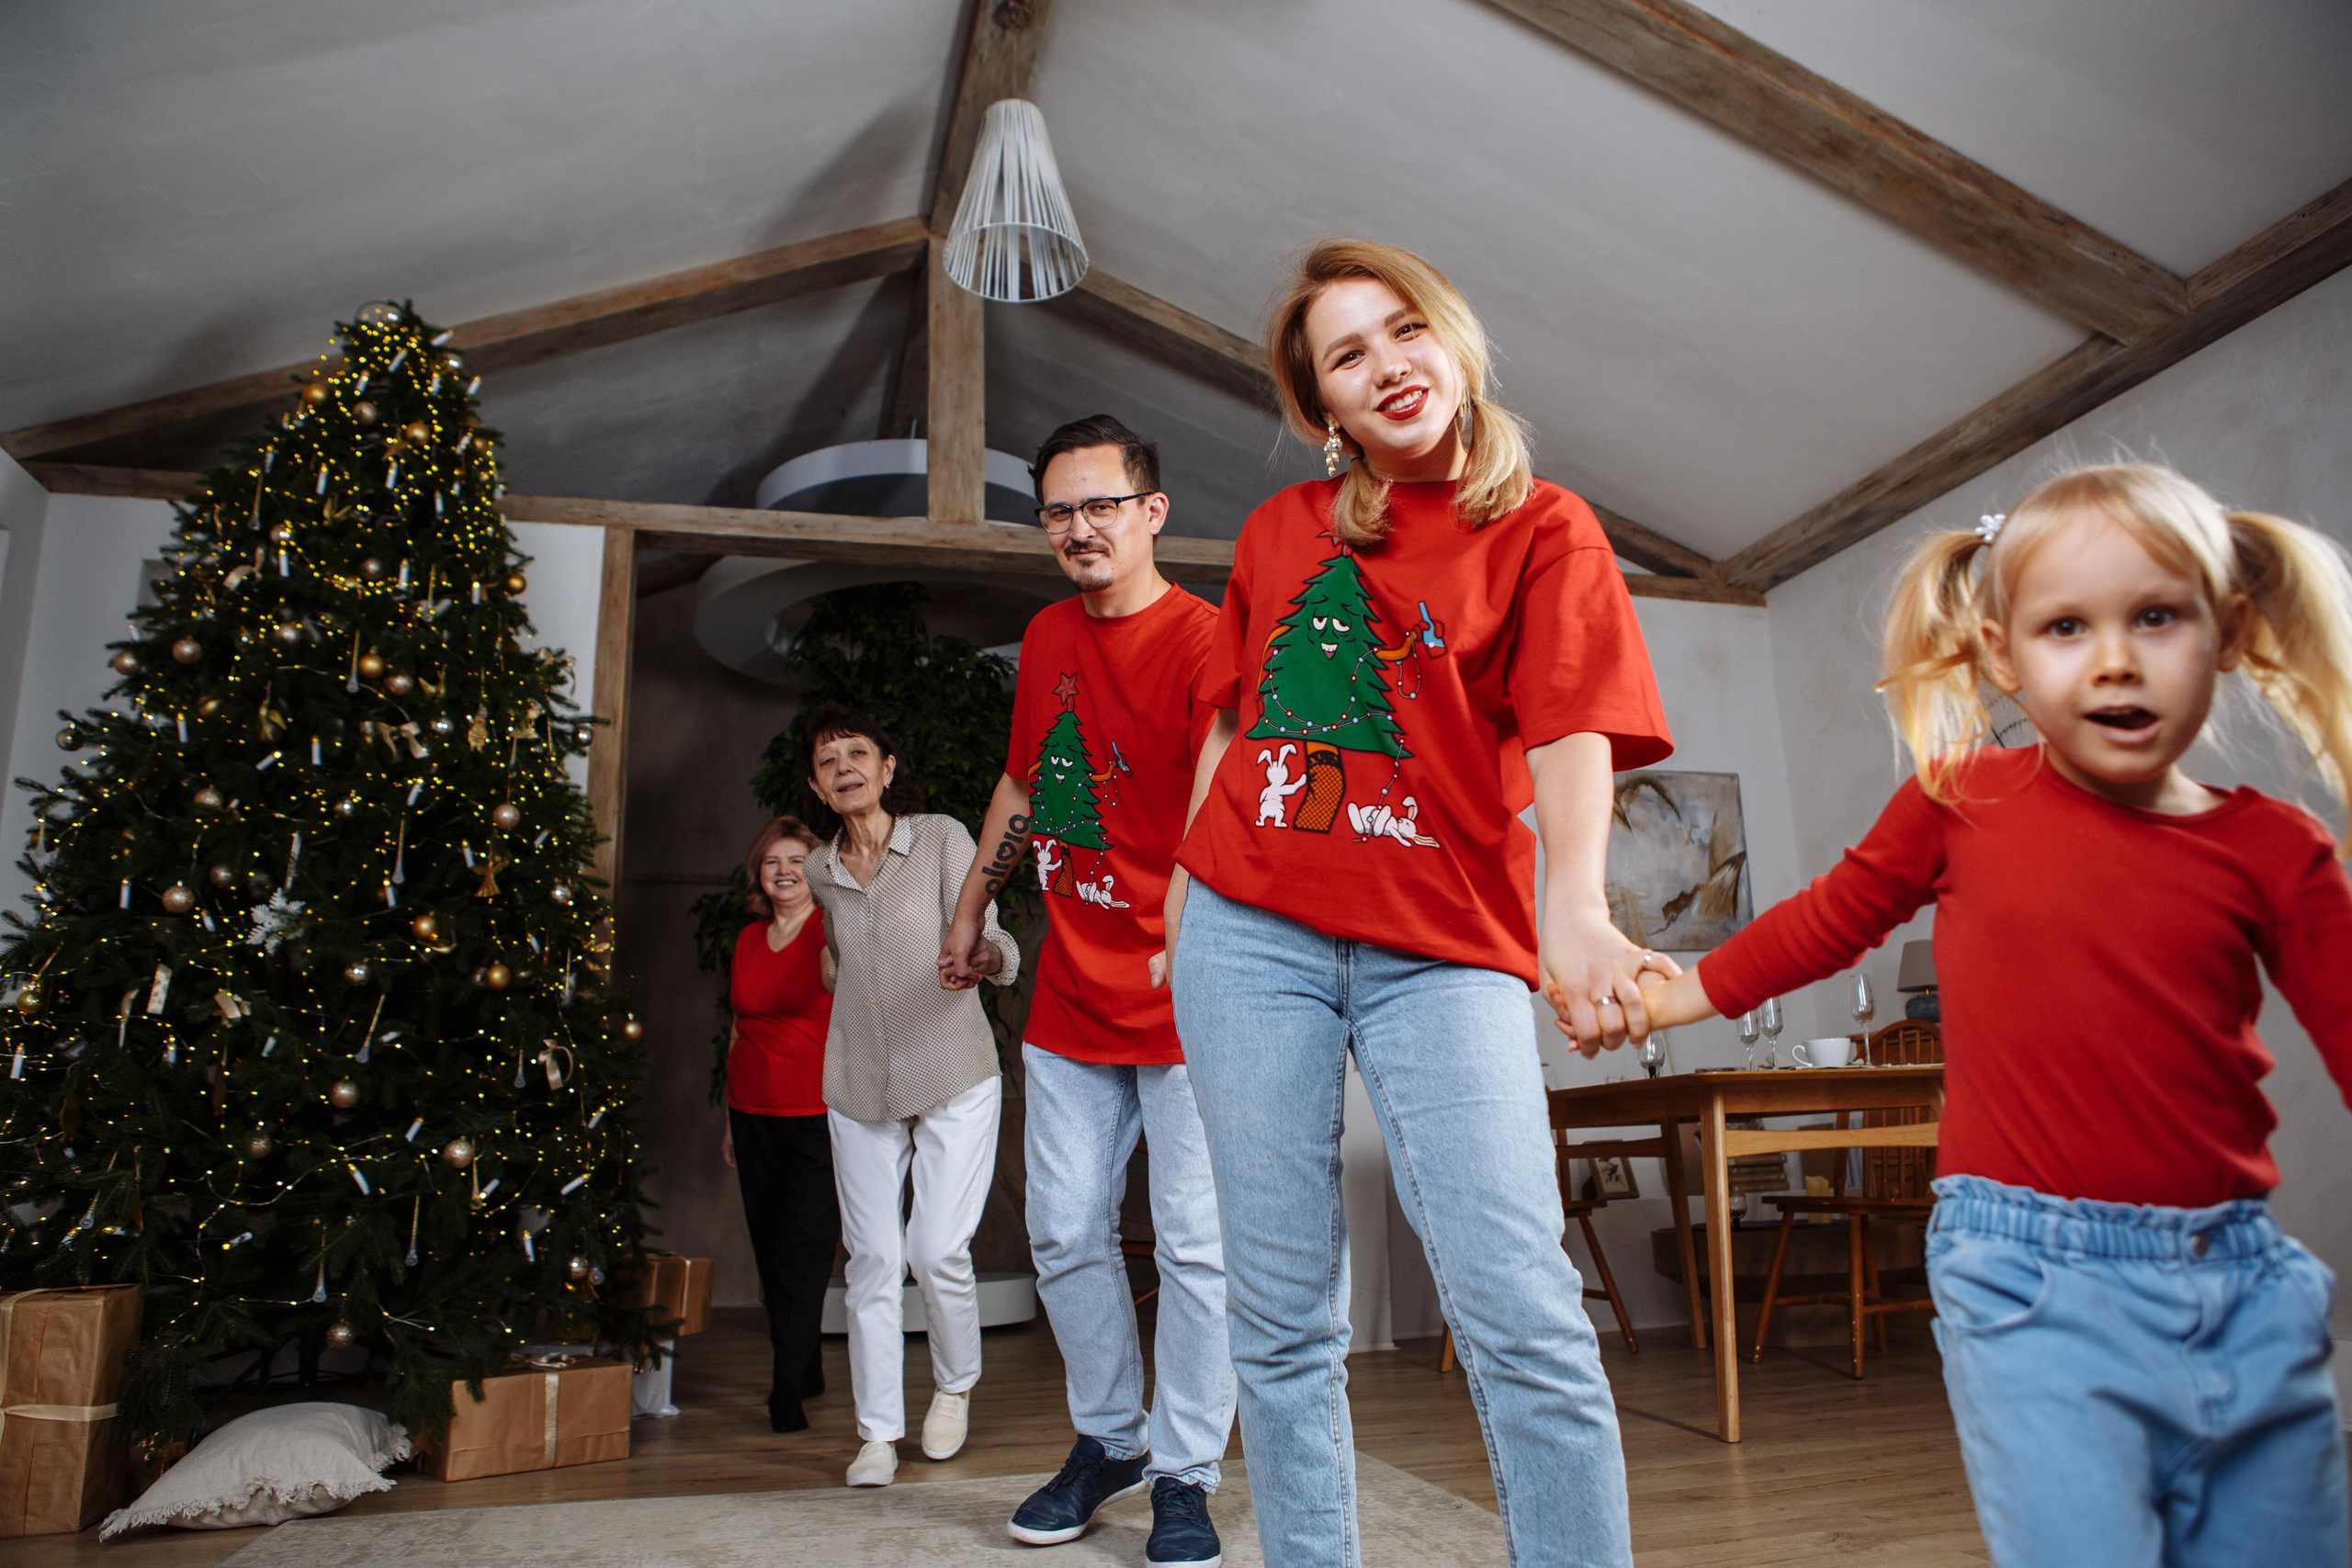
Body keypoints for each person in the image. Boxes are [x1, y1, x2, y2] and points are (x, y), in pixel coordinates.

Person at [1634, 463, 2352, 1566]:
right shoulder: (1960, 800)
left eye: (2156, 617)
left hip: (2240, 1284)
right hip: (2031, 1281)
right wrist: (1667, 997)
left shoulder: (2277, 849)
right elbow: (1825, 922)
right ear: (2002, 656)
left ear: (2230, 630)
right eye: (2068, 627)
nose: (2115, 657)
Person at [1164, 238, 1674, 1568]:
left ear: (1453, 339)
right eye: (1347, 353)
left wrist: (1576, 907)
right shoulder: (1284, 533)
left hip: (1444, 943)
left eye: (1403, 331)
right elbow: (1232, 725)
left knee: (1523, 1307)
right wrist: (1179, 893)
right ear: (1318, 404)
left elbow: (1573, 731)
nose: (1387, 365)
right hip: (1247, 925)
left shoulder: (1546, 525)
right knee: (1280, 1315)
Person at [941, 415, 1234, 1567]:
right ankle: (1109, 1438)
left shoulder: (1208, 638)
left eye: (1100, 504)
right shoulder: (1048, 634)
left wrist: (1200, 933)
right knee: (1063, 1231)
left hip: (1185, 995)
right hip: (1069, 986)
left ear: (1151, 511)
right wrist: (970, 906)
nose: (1077, 528)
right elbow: (1023, 781)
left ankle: (1187, 1468)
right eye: (1058, 510)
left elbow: (1232, 806)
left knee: (1195, 1247)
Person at [801, 704, 1020, 1490]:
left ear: (887, 768)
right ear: (817, 786)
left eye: (858, 752)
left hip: (954, 1069)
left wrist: (984, 954)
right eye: (828, 761)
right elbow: (835, 959)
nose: (845, 768)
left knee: (934, 1250)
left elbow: (1001, 946)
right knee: (871, 1259)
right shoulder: (820, 872)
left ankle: (955, 1385)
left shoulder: (940, 839)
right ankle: (876, 1435)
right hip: (858, 1079)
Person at [719, 816, 839, 1434]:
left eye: (798, 860)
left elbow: (838, 981)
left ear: (818, 872)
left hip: (816, 1116)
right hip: (751, 1112)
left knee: (804, 1251)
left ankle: (785, 1387)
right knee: (770, 1253)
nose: (785, 870)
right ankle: (807, 1363)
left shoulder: (829, 929)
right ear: (758, 873)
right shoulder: (745, 938)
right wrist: (728, 1118)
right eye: (773, 861)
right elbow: (738, 1027)